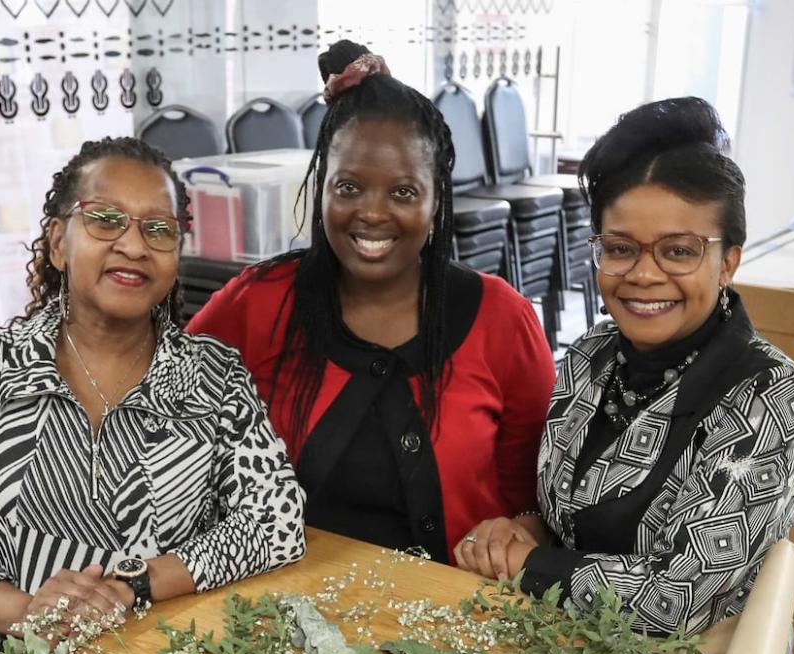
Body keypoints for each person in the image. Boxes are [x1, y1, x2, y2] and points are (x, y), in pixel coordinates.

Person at [0, 137, 306, 650]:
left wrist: (134, 584)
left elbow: (276, 520)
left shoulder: (215, 377)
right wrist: (28, 613)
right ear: (57, 242)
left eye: (160, 229)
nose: (135, 245)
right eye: (105, 219)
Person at [186, 41, 555, 565]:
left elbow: (534, 498)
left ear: (435, 199)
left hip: (458, 613)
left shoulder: (501, 318)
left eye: (403, 192)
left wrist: (519, 531)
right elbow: (168, 410)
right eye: (349, 187)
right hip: (280, 611)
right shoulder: (259, 300)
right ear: (322, 189)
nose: (371, 214)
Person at [457, 98, 794, 636]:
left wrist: (529, 564)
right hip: (557, 636)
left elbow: (677, 601)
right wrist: (519, 531)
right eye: (620, 248)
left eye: (678, 251)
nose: (643, 275)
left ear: (729, 263)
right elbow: (569, 518)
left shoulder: (769, 395)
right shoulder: (591, 354)